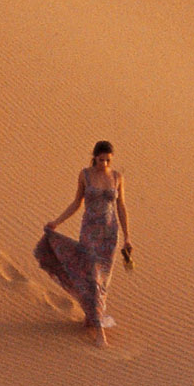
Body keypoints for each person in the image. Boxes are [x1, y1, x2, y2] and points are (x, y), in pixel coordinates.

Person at [40, 142, 135, 346]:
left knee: (103, 281)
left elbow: (121, 206)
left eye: (109, 160)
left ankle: (91, 315)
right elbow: (77, 203)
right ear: (94, 157)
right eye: (101, 160)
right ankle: (100, 332)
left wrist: (127, 237)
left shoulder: (117, 177)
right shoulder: (85, 175)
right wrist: (57, 222)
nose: (105, 163)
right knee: (92, 275)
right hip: (90, 233)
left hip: (109, 235)